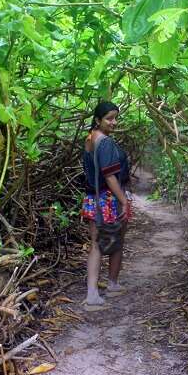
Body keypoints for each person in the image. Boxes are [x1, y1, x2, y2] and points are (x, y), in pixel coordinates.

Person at [80, 101, 131, 310]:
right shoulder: (106, 142)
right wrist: (124, 201)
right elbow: (110, 176)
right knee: (116, 238)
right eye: (109, 118)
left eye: (115, 117)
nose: (114, 122)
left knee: (95, 243)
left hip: (92, 197)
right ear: (98, 120)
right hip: (108, 198)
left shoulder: (89, 138)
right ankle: (111, 284)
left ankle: (93, 292)